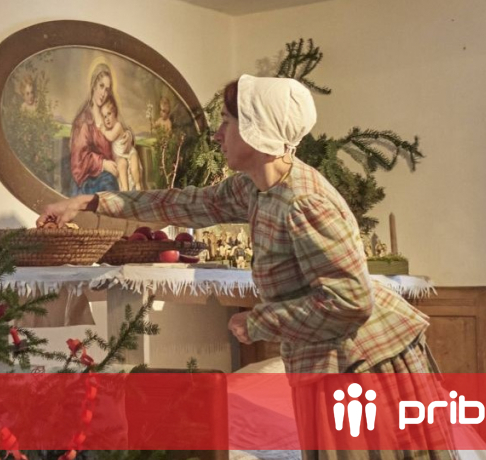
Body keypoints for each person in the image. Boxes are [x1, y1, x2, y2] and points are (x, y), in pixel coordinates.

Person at [39, 75, 457, 460]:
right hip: (327, 356)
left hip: (363, 363)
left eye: (227, 121)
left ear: (258, 130)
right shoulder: (255, 188)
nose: (217, 134)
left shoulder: (303, 202)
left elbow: (351, 301)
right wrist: (90, 201)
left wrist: (258, 322)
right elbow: (183, 203)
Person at [68, 62, 120, 195]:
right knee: (109, 185)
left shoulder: (107, 116)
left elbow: (118, 133)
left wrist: (128, 137)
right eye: (101, 86)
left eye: (107, 89)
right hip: (87, 182)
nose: (103, 93)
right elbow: (79, 159)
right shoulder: (83, 121)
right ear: (93, 85)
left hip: (107, 175)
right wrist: (103, 164)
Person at [99, 96, 143, 191]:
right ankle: (125, 189)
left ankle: (138, 184)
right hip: (120, 156)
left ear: (115, 113)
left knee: (134, 165)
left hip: (129, 152)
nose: (107, 119)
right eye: (104, 117)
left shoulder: (118, 126)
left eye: (109, 114)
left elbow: (111, 136)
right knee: (121, 166)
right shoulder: (109, 128)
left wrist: (103, 130)